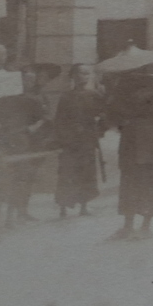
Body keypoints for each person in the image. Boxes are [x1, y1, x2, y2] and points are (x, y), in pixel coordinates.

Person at [0, 63, 63, 229]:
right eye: (25, 79)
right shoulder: (8, 98)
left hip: (32, 143)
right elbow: (0, 118)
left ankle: (20, 212)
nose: (29, 83)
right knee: (8, 179)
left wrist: (37, 127)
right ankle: (3, 216)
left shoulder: (37, 98)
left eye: (31, 80)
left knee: (25, 179)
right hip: (12, 142)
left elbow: (45, 118)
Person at [104, 71, 153, 241]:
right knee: (128, 181)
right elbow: (114, 116)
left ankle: (145, 227)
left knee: (147, 181)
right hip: (132, 139)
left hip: (148, 138)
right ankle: (128, 225)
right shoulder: (124, 87)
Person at [53, 64, 104, 218]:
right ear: (74, 76)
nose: (85, 77)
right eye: (82, 73)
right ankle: (63, 207)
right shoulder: (66, 97)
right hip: (70, 141)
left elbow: (104, 116)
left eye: (88, 74)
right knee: (67, 173)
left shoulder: (95, 95)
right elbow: (59, 120)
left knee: (86, 173)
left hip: (87, 140)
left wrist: (97, 129)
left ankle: (84, 205)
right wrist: (64, 139)